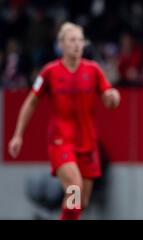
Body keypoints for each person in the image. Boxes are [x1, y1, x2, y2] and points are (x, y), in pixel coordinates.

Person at [8, 22, 120, 220]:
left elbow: (108, 98)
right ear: (61, 44)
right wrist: (18, 135)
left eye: (80, 40)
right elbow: (31, 102)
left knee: (80, 202)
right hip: (61, 141)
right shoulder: (49, 72)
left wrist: (113, 97)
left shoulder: (93, 70)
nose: (77, 45)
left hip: (87, 143)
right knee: (74, 188)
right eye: (72, 40)